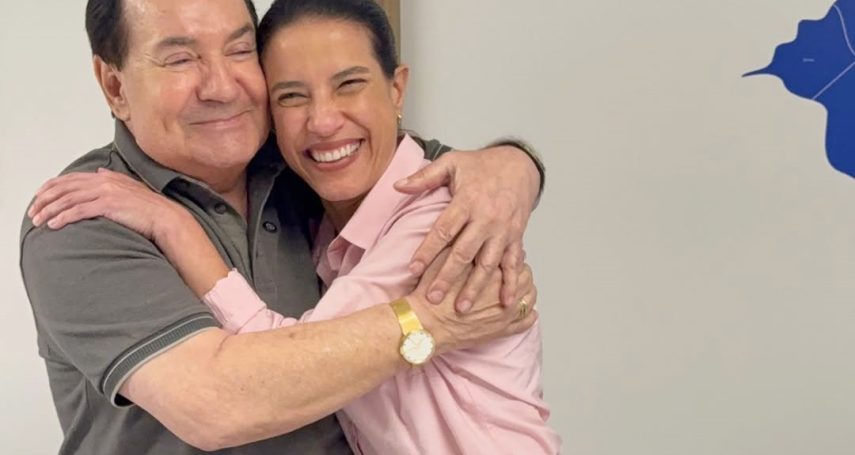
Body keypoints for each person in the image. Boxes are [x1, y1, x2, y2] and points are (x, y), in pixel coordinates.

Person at [29, 0, 561, 453]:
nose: (221, 86)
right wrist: (430, 324)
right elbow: (218, 404)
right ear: (114, 85)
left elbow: (445, 170)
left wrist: (516, 166)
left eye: (240, 50)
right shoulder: (84, 216)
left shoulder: (308, 165)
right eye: (181, 58)